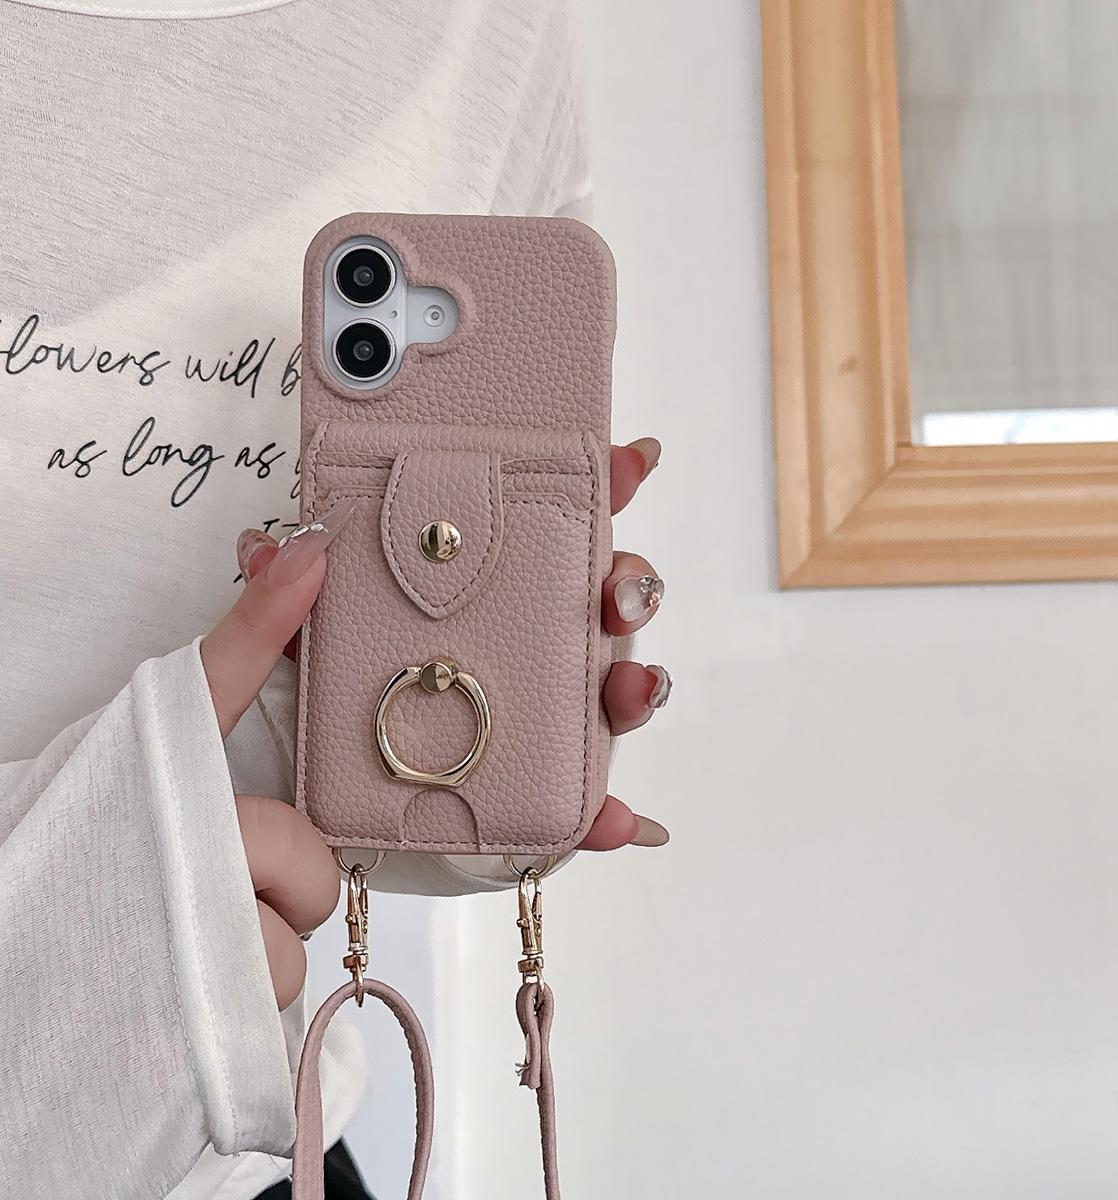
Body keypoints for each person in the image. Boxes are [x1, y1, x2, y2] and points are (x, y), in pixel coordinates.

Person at [0, 1, 671, 1196]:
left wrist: (496, 753)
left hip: (262, 1138)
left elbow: (359, 821)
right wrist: (79, 908)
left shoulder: (491, 28)